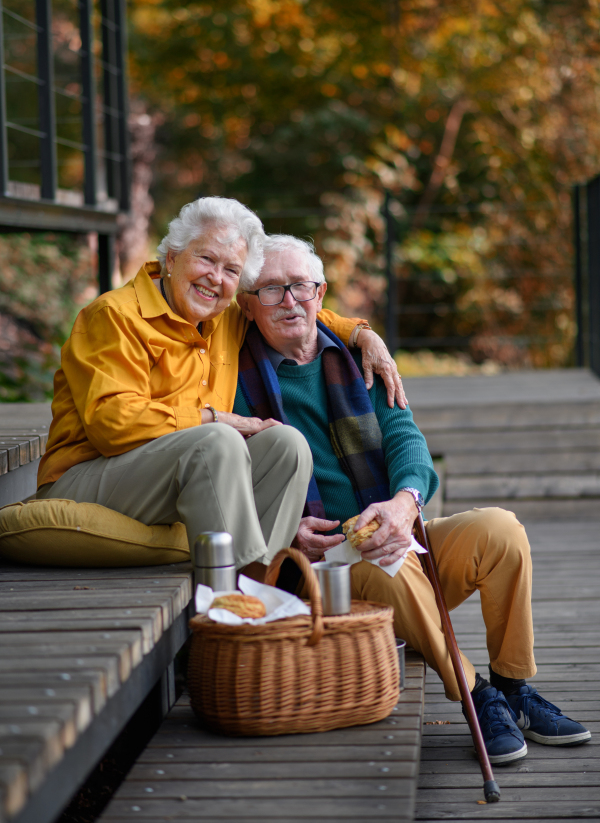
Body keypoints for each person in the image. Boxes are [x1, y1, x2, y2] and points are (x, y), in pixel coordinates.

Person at [233, 233, 591, 764]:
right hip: (319, 568)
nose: (290, 300)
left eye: (301, 287)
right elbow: (237, 481)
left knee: (501, 530)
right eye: (271, 290)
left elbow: (406, 440)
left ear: (321, 291)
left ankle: (513, 686)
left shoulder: (359, 359)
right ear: (247, 303)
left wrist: (404, 504)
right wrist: (281, 530)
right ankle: (475, 693)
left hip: (392, 533)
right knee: (388, 564)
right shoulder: (234, 379)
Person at [35, 197, 403, 581]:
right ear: (173, 258)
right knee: (217, 440)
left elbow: (294, 309)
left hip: (182, 473)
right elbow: (112, 424)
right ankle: (230, 600)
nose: (216, 278)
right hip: (89, 476)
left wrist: (363, 334)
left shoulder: (224, 315)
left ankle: (261, 583)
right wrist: (218, 419)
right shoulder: (113, 316)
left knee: (287, 444)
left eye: (231, 269)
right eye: (207, 259)